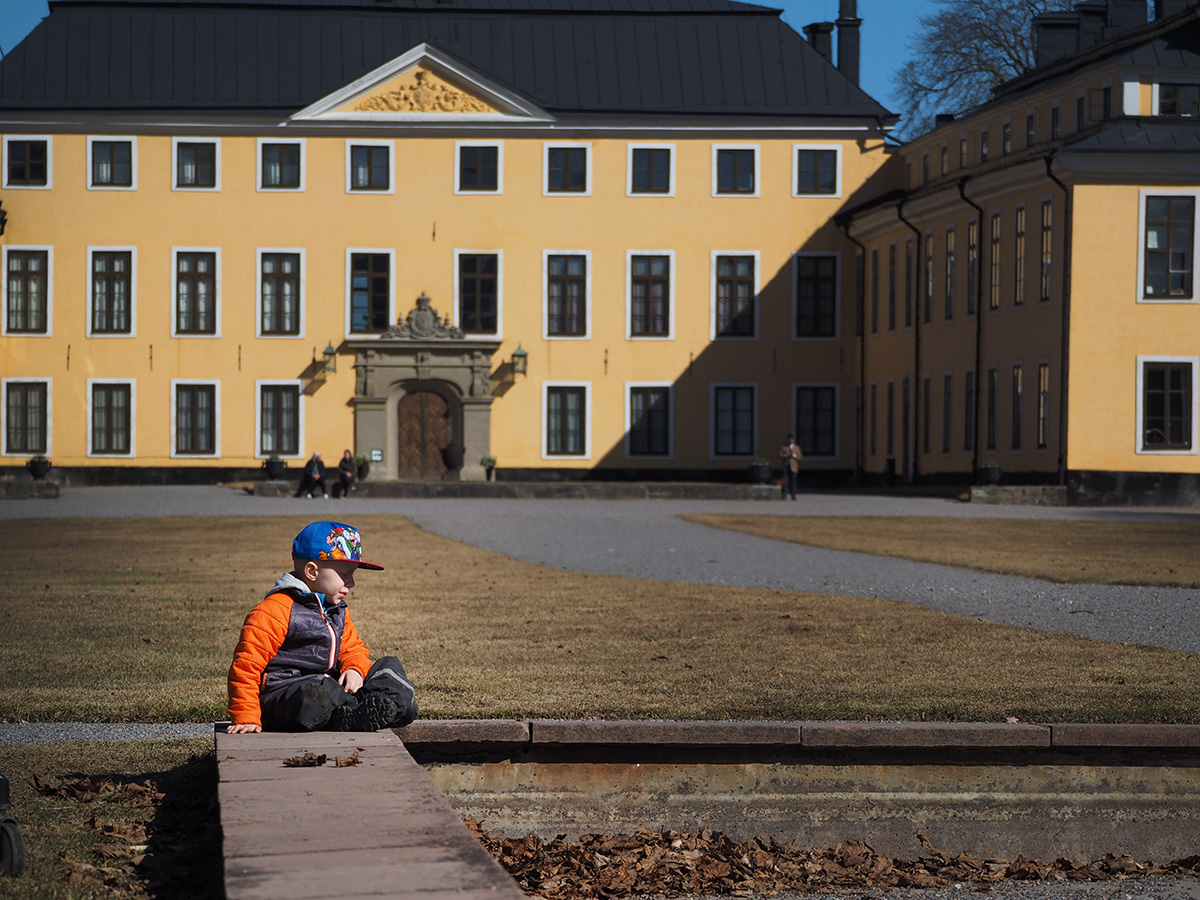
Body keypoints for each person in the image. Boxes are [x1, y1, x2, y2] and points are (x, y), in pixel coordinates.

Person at [226, 521, 418, 734]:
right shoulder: (275, 610)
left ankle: (363, 711)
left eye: (352, 575)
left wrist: (354, 669)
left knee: (389, 666)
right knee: (318, 692)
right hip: (286, 698)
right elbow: (246, 667)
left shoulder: (337, 610)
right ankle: (366, 711)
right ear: (312, 571)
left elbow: (352, 648)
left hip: (332, 691)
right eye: (344, 574)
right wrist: (246, 716)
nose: (351, 583)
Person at [778, 434, 802, 500]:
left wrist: (794, 456)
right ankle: (784, 495)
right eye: (788, 439)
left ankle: (793, 495)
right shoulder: (784, 447)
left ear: (793, 440)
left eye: (791, 439)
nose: (790, 440)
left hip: (793, 466)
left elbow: (800, 457)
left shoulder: (796, 448)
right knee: (785, 480)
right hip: (786, 465)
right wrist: (786, 456)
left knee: (793, 481)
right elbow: (780, 455)